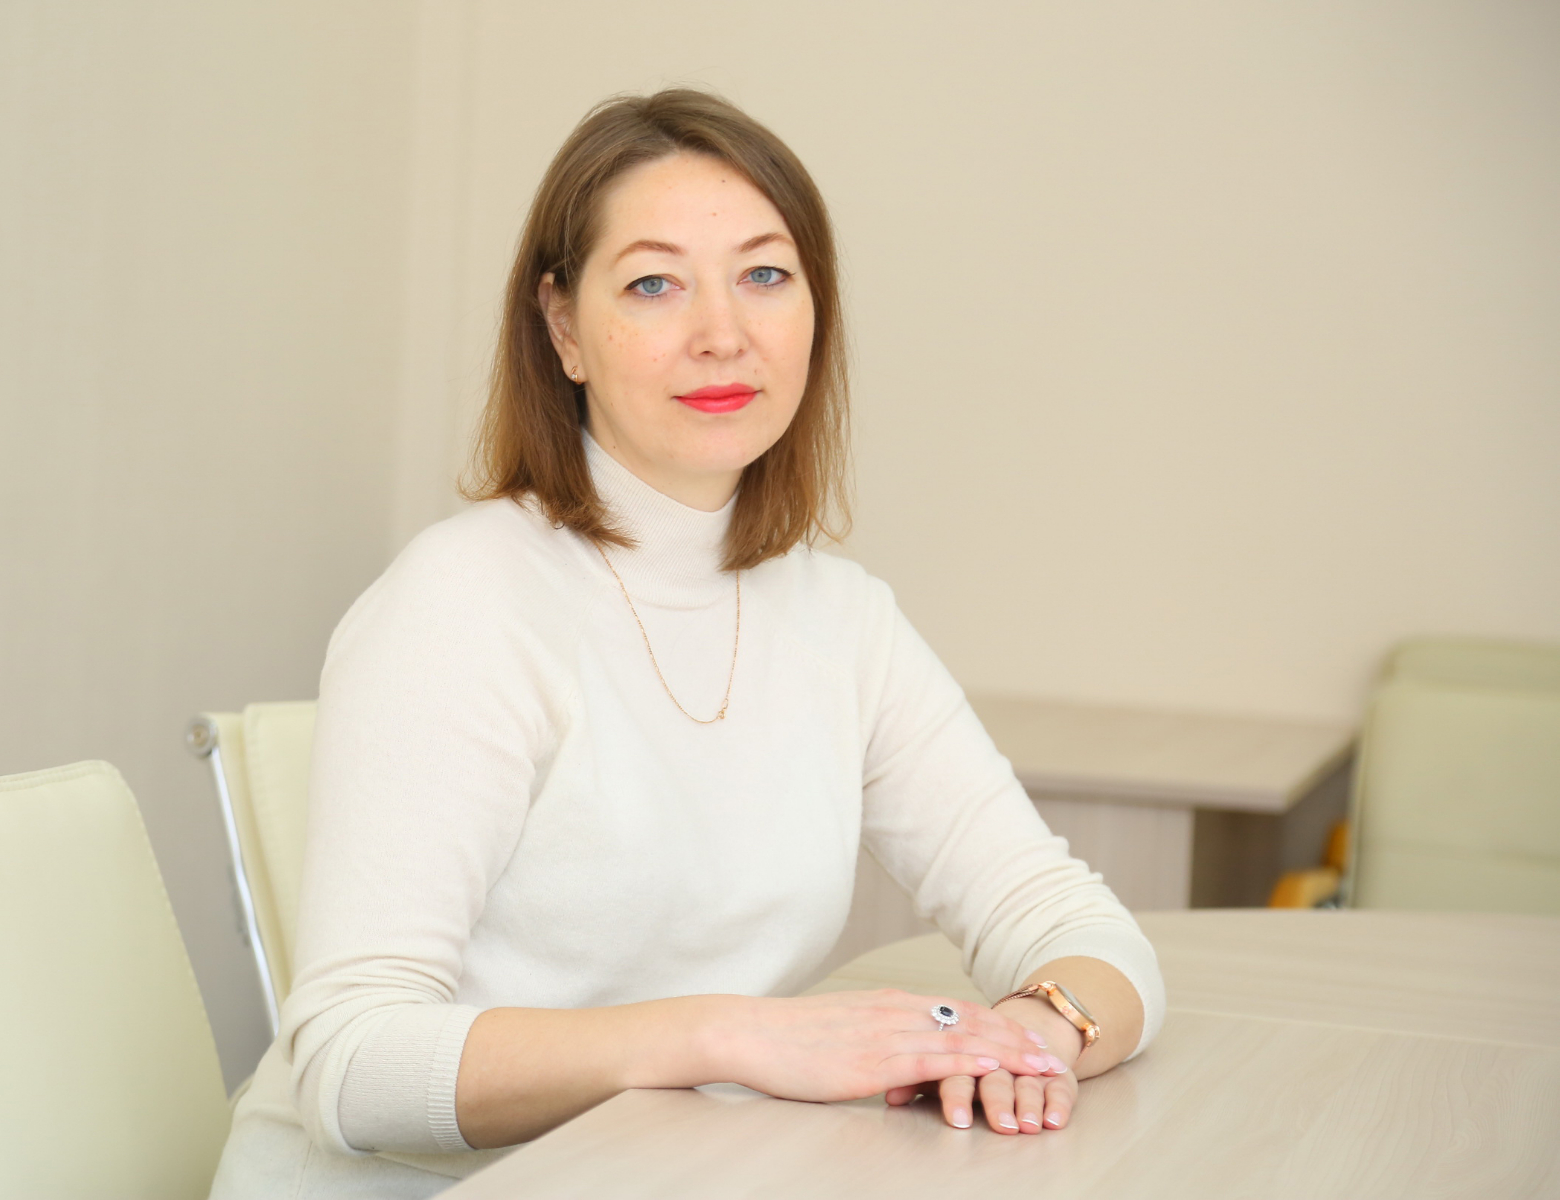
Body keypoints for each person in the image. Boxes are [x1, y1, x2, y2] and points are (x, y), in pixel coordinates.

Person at [209, 88, 1164, 1200]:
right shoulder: (463, 601)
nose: (723, 332)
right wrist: (728, 1037)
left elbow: (1071, 921)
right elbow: (353, 1062)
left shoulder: (842, 620)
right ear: (563, 327)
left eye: (765, 275)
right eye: (654, 284)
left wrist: (1029, 1036)